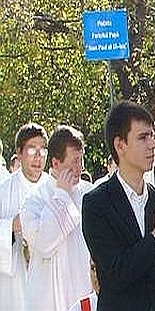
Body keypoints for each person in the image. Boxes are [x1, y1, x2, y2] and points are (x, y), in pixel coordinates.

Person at [82, 101, 155, 311]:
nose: (152, 144)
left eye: (152, 136)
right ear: (120, 145)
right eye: (143, 137)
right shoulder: (96, 204)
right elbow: (117, 273)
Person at [20, 125, 94, 311]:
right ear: (55, 163)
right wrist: (61, 195)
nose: (81, 167)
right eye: (75, 161)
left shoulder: (90, 194)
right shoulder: (34, 200)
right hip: (47, 298)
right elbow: (43, 244)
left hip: (82, 291)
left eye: (81, 159)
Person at [0, 122, 50, 311]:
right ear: (19, 153)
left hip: (49, 280)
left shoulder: (55, 190)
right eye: (31, 150)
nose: (38, 157)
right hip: (15, 287)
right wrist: (11, 227)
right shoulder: (4, 192)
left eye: (42, 150)